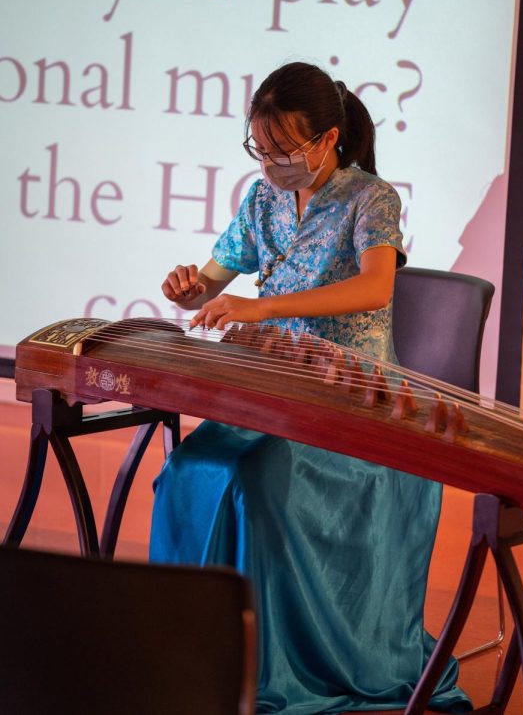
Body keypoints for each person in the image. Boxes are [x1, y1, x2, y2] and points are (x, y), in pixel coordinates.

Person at [150, 62, 471, 713]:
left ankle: (275, 667)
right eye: (258, 150)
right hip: (278, 385)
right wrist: (194, 287)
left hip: (355, 399)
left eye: (284, 151)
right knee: (189, 468)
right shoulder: (261, 199)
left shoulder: (369, 199)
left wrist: (262, 307)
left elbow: (375, 287)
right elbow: (215, 277)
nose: (269, 165)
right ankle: (194, 655)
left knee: (258, 478)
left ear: (327, 140)